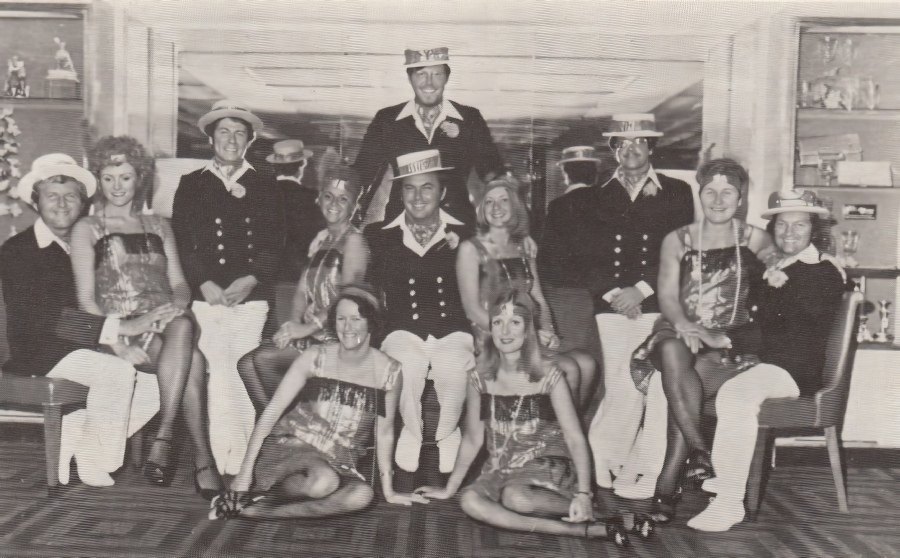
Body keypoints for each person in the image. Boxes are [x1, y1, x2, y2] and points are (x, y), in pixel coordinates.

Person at [415, 290, 650, 546]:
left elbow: (574, 438)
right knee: (469, 500)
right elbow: (473, 439)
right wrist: (449, 488)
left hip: (549, 463)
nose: (505, 331)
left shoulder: (549, 375)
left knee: (516, 499)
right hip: (501, 468)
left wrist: (584, 493)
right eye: (498, 322)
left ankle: (600, 513)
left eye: (515, 322)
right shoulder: (478, 377)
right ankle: (589, 530)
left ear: (529, 329)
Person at [0, 153, 168, 487]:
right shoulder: (18, 250)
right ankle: (95, 459)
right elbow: (44, 317)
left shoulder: (89, 243)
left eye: (71, 196)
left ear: (82, 204)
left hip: (89, 345)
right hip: (41, 350)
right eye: (52, 196)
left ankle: (77, 434)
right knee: (117, 373)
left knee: (158, 382)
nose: (62, 204)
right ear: (35, 201)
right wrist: (117, 333)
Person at [688, 189, 845, 532]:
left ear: (814, 229)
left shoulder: (823, 271)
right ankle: (663, 476)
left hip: (792, 369)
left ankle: (729, 502)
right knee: (679, 378)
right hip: (757, 360)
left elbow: (789, 328)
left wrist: (729, 339)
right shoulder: (774, 267)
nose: (789, 233)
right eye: (782, 225)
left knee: (736, 395)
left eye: (799, 225)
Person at [627, 159, 774, 522]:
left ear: (740, 198)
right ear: (700, 194)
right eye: (710, 191)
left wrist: (816, 261)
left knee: (681, 384)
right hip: (676, 328)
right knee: (673, 352)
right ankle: (697, 449)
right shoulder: (677, 239)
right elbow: (667, 297)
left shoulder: (756, 238)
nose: (718, 200)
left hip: (726, 337)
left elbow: (784, 267)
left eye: (728, 192)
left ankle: (672, 479)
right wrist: (690, 328)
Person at [212, 287, 427, 519]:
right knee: (323, 482)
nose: (348, 327)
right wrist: (244, 475)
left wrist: (389, 490)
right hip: (291, 447)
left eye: (356, 319)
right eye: (341, 319)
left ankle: (257, 510)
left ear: (371, 322)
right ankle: (258, 493)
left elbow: (384, 433)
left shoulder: (389, 370)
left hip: (341, 460)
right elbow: (271, 413)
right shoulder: (315, 356)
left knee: (361, 495)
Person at [69, 136, 200, 487]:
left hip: (168, 324)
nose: (117, 186)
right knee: (194, 359)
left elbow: (180, 284)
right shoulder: (86, 228)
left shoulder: (159, 225)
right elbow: (86, 300)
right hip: (120, 328)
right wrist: (114, 341)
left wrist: (176, 307)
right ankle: (192, 454)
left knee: (182, 326)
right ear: (98, 180)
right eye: (108, 178)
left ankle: (166, 435)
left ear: (139, 178)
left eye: (125, 177)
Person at [171, 99, 284, 477]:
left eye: (239, 133)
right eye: (224, 132)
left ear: (250, 140)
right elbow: (182, 241)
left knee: (241, 369)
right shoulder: (191, 183)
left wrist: (252, 278)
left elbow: (275, 242)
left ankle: (243, 459)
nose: (232, 140)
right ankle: (225, 460)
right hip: (208, 298)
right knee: (219, 370)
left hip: (251, 298)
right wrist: (202, 282)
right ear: (211, 138)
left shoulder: (266, 185)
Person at [584, 114, 695, 490]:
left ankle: (626, 461)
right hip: (611, 304)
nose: (631, 150)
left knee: (651, 385)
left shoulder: (677, 191)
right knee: (622, 384)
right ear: (613, 150)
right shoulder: (596, 195)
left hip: (656, 301)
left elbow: (681, 249)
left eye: (640, 143)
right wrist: (614, 294)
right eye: (623, 144)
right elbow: (586, 254)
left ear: (652, 148)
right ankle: (606, 458)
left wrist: (641, 290)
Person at [364, 149, 475, 487]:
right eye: (409, 188)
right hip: (402, 328)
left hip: (453, 329)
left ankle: (447, 433)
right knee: (405, 365)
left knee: (454, 367)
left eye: (427, 187)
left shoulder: (468, 233)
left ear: (442, 192)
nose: (418, 197)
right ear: (400, 193)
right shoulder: (379, 235)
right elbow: (368, 288)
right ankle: (412, 433)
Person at [237, 159, 368, 412]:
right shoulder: (323, 240)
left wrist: (307, 328)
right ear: (319, 199)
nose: (333, 204)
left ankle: (285, 420)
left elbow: (348, 298)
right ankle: (278, 424)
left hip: (336, 337)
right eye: (328, 196)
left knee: (262, 360)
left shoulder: (354, 242)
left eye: (343, 199)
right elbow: (300, 291)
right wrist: (292, 325)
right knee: (246, 365)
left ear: (355, 206)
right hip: (313, 334)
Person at [456, 175, 596, 408]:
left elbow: (537, 296)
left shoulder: (524, 247)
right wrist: (526, 334)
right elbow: (472, 310)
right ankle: (558, 425)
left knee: (588, 363)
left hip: (528, 334)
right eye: (489, 201)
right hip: (495, 337)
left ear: (516, 206)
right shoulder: (470, 249)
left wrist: (548, 330)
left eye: (504, 200)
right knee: (570, 368)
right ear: (482, 209)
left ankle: (564, 426)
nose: (496, 207)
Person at [354, 47, 503, 225]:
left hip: (456, 227)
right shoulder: (387, 119)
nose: (429, 83)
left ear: (446, 77)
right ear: (410, 77)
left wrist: (466, 136)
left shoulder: (470, 118)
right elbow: (363, 171)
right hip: (402, 225)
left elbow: (491, 171)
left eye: (437, 74)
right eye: (421, 74)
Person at [537, 146, 604, 371]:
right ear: (595, 174)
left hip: (566, 294)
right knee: (599, 356)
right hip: (603, 293)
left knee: (569, 358)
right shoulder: (608, 202)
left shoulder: (558, 206)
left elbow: (548, 255)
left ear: (565, 174)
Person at [268, 139, 324, 282]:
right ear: (302, 165)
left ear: (274, 167)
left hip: (264, 276)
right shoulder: (312, 198)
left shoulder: (259, 195)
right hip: (298, 276)